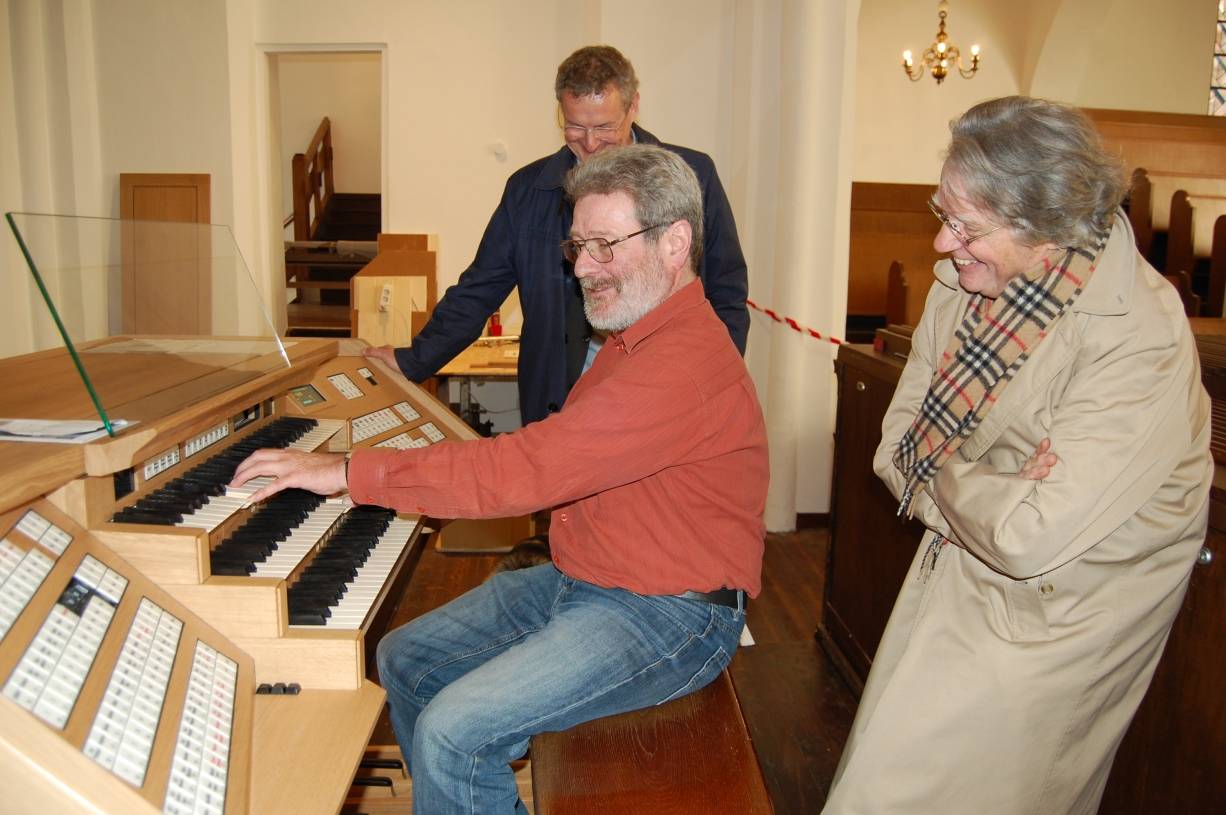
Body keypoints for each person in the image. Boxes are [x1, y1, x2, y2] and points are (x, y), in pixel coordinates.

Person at [232, 144, 768, 814]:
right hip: (592, 577)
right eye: (577, 246)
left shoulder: (680, 361)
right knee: (405, 658)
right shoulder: (634, 336)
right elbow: (546, 460)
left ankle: (459, 780)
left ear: (674, 242)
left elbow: (527, 468)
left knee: (455, 734)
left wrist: (345, 471)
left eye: (604, 244)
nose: (583, 269)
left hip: (671, 614)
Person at [823, 96, 1212, 814]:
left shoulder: (1140, 337)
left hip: (1064, 615)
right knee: (877, 778)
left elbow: (1030, 537)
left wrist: (938, 468)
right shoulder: (967, 282)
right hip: (957, 563)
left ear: (1048, 233)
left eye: (965, 225)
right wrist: (988, 479)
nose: (942, 244)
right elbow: (894, 444)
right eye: (944, 214)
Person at [364, 44, 749, 426]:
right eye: (575, 127)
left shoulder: (692, 176)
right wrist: (412, 359)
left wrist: (716, 385)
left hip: (661, 384)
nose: (591, 143)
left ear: (633, 107)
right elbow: (479, 289)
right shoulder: (528, 190)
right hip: (558, 395)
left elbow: (726, 292)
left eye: (604, 127)